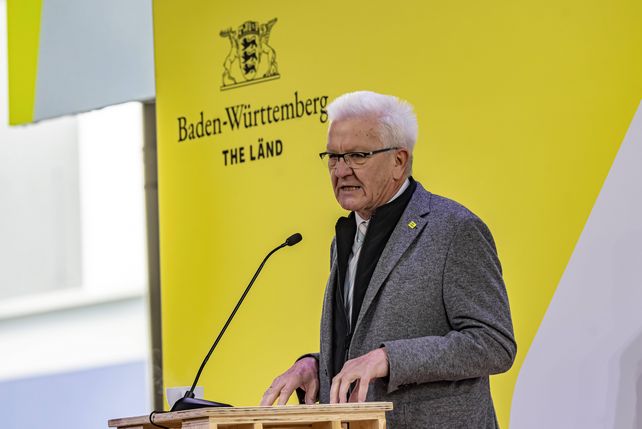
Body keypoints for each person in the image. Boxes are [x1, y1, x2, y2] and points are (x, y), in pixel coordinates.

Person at [260, 91, 516, 428]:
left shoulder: (454, 229)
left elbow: (494, 343)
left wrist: (389, 358)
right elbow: (361, 347)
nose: (341, 170)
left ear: (399, 161)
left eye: (357, 155)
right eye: (333, 156)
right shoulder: (345, 237)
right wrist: (314, 366)